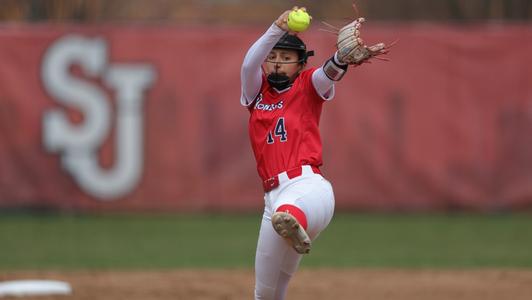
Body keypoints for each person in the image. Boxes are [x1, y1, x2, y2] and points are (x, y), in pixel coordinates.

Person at [240, 6, 387, 300]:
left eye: (287, 58)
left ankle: (294, 222)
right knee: (267, 293)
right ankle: (291, 226)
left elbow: (328, 73)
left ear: (299, 63)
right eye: (273, 58)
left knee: (287, 214)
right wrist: (277, 27)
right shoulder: (256, 93)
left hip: (308, 188)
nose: (278, 63)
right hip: (272, 198)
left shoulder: (308, 85)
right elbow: (247, 66)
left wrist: (342, 59)